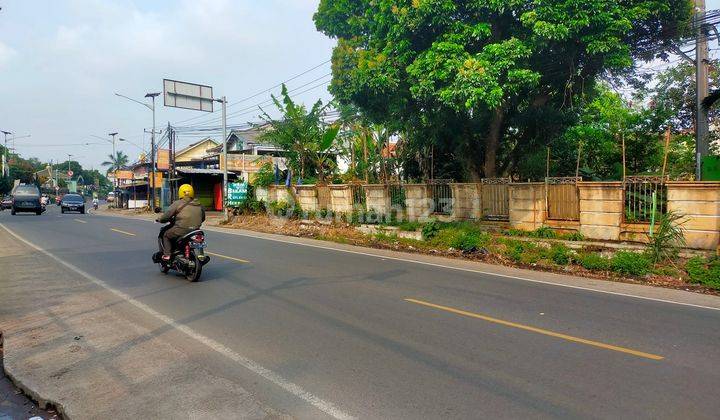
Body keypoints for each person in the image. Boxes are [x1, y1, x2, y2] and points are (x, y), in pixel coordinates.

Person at [156, 184, 205, 261]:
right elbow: (203, 218)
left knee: (166, 235)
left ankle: (167, 255)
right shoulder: (199, 204)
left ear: (180, 193)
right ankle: (201, 254)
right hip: (196, 230)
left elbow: (166, 216)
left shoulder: (177, 203)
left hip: (181, 230)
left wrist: (159, 219)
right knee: (199, 239)